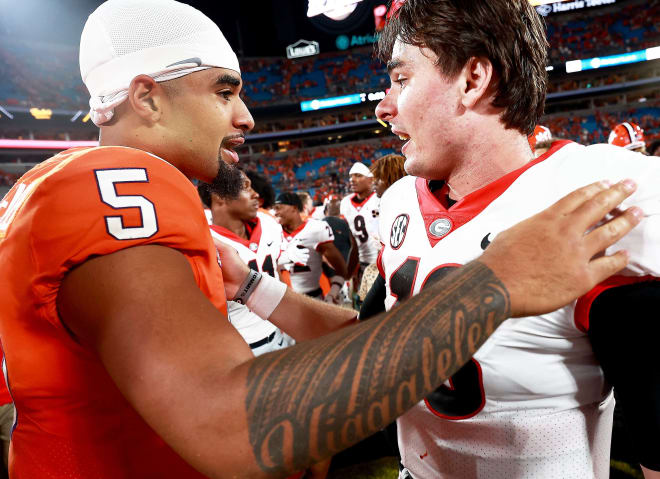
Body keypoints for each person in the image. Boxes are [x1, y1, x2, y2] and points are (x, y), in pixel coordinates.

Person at [0, 1, 642, 477]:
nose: (246, 117)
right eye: (225, 90)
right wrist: (493, 283)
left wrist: (255, 287)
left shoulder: (601, 184)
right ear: (147, 97)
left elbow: (373, 340)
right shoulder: (114, 186)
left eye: (398, 79)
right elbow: (227, 425)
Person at [374, 1, 659, 478]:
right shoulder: (400, 200)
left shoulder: (594, 195)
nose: (384, 107)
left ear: (473, 80)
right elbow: (369, 340)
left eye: (402, 80)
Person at [200, 173, 297, 355]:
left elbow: (275, 272)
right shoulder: (203, 241)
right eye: (246, 187)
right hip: (242, 348)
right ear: (220, 197)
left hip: (279, 334)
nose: (255, 194)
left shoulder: (269, 224)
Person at [273, 192, 348, 298]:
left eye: (278, 208)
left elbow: (341, 269)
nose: (275, 212)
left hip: (313, 297)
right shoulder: (272, 233)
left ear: (294, 208)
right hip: (284, 300)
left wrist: (333, 292)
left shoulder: (315, 229)